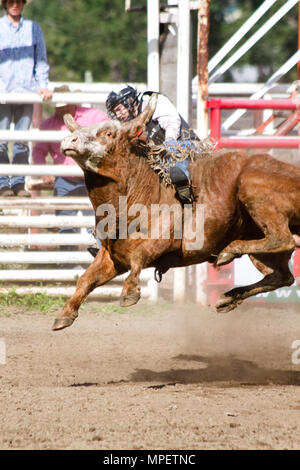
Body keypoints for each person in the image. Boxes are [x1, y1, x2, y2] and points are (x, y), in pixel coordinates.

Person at [32, 85, 109, 258]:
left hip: (92, 176)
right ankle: (68, 260)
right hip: (65, 178)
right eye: (59, 106)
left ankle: (102, 261)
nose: (62, 109)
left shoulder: (93, 116)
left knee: (98, 219)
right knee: (66, 222)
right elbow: (38, 151)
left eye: (65, 105)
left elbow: (108, 135)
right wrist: (43, 170)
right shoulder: (48, 125)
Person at [105, 85, 198, 205]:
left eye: (118, 109)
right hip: (159, 157)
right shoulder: (130, 123)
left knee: (175, 164)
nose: (118, 115)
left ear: (129, 101)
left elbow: (171, 122)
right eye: (115, 112)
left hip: (184, 145)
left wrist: (170, 142)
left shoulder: (153, 102)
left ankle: (184, 188)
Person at [0, 0, 52, 197]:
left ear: (23, 4)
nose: (15, 5)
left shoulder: (33, 28)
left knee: (22, 141)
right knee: (2, 140)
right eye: (11, 1)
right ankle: (3, 184)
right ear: (5, 4)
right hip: (3, 92)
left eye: (18, 1)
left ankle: (19, 184)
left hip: (26, 90)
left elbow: (41, 60)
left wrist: (42, 86)